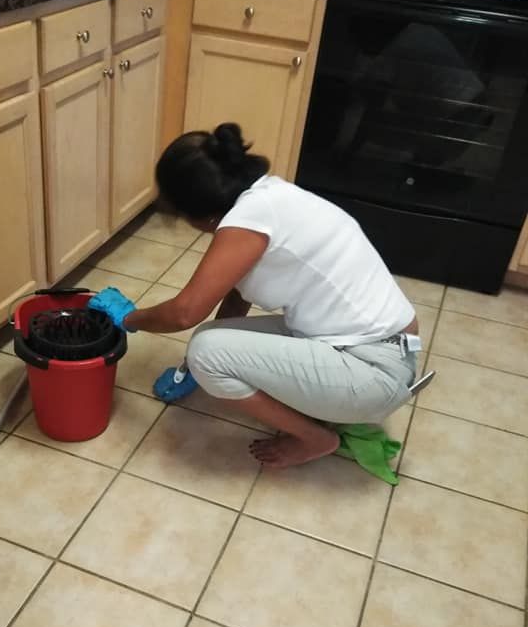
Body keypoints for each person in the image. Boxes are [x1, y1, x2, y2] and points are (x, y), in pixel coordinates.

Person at [91, 122, 420, 469]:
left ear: (196, 213)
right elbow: (235, 296)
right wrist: (191, 369)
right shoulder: (269, 199)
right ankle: (321, 407)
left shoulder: (248, 221)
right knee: (208, 343)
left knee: (206, 351)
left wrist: (128, 318)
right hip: (375, 346)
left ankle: (315, 438)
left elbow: (184, 313)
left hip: (374, 372)